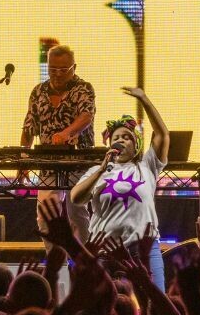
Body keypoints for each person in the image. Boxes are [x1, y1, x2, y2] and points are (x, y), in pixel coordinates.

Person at [72, 87, 171, 288]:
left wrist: (144, 98)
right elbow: (76, 198)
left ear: (136, 146)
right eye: (116, 137)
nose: (120, 140)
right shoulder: (96, 171)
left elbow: (163, 134)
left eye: (126, 137)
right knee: (102, 308)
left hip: (143, 249)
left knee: (155, 301)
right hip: (104, 250)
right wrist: (100, 170)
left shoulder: (146, 166)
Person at [22, 43, 96, 240]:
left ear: (74, 68)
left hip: (78, 163)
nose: (58, 74)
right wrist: (23, 158)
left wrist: (66, 133)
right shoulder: (38, 91)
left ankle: (82, 261)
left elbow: (86, 116)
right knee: (46, 215)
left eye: (64, 69)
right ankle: (54, 261)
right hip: (48, 163)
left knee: (77, 214)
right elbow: (29, 127)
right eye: (53, 69)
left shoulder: (84, 88)